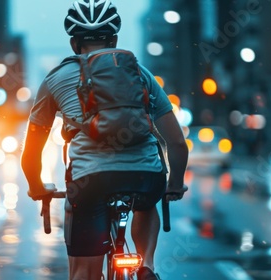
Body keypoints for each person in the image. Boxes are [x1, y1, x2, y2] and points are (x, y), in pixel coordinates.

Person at [21, 1, 189, 279]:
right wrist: (174, 183)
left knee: (82, 273)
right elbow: (177, 142)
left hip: (90, 180)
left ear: (74, 44)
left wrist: (37, 187)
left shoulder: (55, 79)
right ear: (114, 40)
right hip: (146, 176)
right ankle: (146, 265)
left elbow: (32, 151)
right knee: (146, 203)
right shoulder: (141, 74)